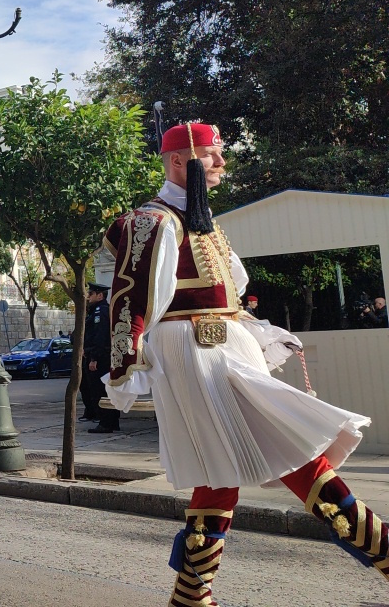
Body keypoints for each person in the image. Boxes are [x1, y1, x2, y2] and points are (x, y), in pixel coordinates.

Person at [104, 122, 386, 604]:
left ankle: (191, 594)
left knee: (220, 473)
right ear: (179, 160)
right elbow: (131, 299)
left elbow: (227, 295)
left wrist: (259, 332)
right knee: (292, 449)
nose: (221, 163)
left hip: (222, 347)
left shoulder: (202, 221)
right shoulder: (153, 220)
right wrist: (126, 365)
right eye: (213, 155)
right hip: (198, 353)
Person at [81, 283, 119, 434]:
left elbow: (100, 336)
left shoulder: (100, 312)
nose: (88, 296)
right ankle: (111, 421)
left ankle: (106, 422)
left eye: (90, 294)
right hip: (99, 355)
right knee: (104, 389)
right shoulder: (98, 311)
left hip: (100, 357)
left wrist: (94, 358)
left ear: (100, 295)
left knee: (99, 390)